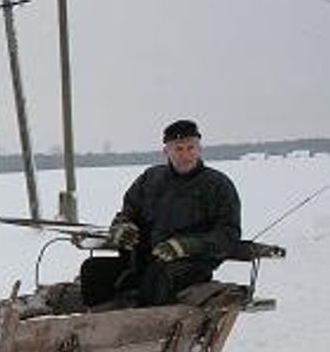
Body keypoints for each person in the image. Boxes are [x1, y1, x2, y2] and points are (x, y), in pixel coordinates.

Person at [81, 119, 241, 307]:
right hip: (142, 262)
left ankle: (142, 328)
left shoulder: (217, 185)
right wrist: (122, 228)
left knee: (159, 276)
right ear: (166, 151)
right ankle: (90, 325)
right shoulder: (151, 178)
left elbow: (228, 234)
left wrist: (186, 246)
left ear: (199, 149)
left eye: (191, 148)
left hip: (189, 267)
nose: (186, 155)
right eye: (178, 149)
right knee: (92, 270)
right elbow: (127, 213)